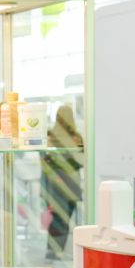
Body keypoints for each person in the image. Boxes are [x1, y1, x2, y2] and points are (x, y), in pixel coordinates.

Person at [41, 105, 84, 259]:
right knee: (62, 216)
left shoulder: (53, 136)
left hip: (56, 182)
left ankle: (55, 249)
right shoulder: (73, 137)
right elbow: (80, 162)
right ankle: (55, 249)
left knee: (60, 216)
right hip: (67, 182)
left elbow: (46, 161)